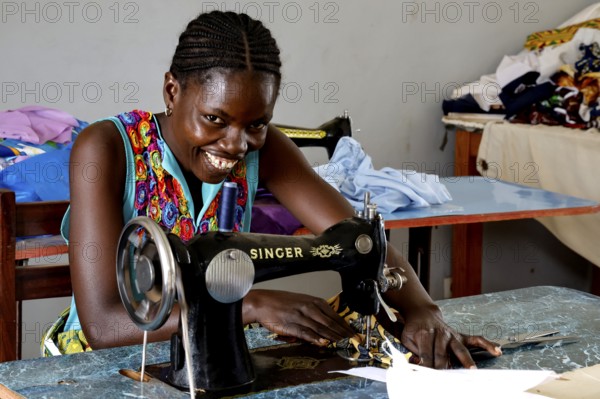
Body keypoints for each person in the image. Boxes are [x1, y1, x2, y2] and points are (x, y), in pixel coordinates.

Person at [46, 10, 501, 369]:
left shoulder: (266, 150)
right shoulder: (105, 148)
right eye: (216, 119)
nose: (236, 144)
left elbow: (358, 238)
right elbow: (104, 324)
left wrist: (423, 310)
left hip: (213, 352)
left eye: (256, 124)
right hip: (99, 365)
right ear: (171, 91)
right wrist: (252, 305)